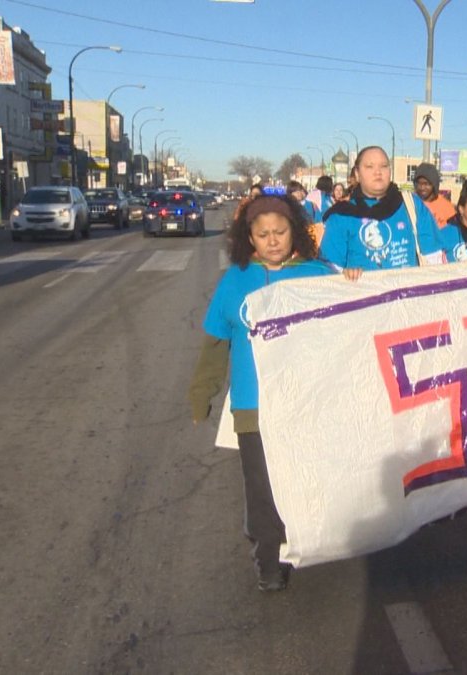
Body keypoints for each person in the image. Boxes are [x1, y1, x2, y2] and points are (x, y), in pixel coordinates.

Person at [187, 192, 335, 591]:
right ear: (249, 238)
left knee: (306, 475)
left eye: (280, 232)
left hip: (306, 402)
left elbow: (351, 328)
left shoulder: (319, 275)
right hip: (253, 406)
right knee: (260, 484)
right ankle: (268, 558)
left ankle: (309, 540)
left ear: (295, 234)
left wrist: (351, 280)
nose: (272, 240)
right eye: (263, 234)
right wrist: (203, 391)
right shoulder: (235, 280)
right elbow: (216, 341)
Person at [321, 146, 440, 277]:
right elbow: (329, 269)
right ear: (357, 174)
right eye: (369, 166)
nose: (378, 172)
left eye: (384, 166)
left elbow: (434, 258)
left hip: (408, 294)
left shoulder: (411, 204)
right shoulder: (341, 215)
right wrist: (345, 273)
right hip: (363, 294)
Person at [413, 162, 456, 228]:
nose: (422, 187)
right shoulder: (410, 203)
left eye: (426, 184)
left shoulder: (447, 207)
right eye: (419, 183)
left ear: (434, 184)